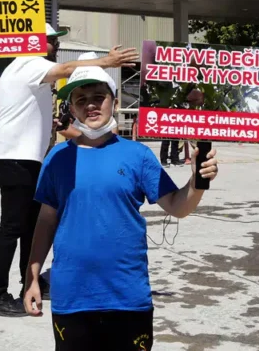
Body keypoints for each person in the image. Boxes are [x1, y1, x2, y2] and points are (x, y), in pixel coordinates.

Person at [22, 59, 219, 350]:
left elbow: (178, 207)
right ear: (73, 109)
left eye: (99, 97)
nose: (91, 105)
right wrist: (32, 277)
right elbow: (45, 221)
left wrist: (197, 182)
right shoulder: (57, 157)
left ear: (114, 103)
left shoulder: (138, 155)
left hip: (127, 298)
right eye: (81, 100)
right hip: (72, 297)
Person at [0, 24, 139, 317]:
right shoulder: (28, 63)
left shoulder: (25, 69)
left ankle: (30, 283)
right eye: (52, 41)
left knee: (30, 226)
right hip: (15, 159)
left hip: (25, 159)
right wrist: (106, 62)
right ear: (36, 42)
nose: (55, 46)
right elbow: (67, 68)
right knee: (12, 228)